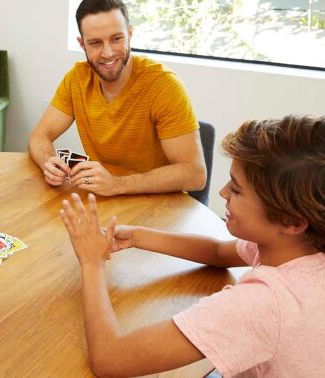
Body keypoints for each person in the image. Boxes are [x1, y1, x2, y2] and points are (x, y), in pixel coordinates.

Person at [59, 115, 325, 377]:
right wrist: (138, 237)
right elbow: (218, 252)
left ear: (292, 221)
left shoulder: (264, 304)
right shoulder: (298, 247)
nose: (222, 192)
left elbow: (110, 359)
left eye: (237, 189)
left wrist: (92, 263)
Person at [29, 0, 206, 196]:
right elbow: (39, 136)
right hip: (106, 199)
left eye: (116, 39)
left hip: (159, 205)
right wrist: (48, 162)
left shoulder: (164, 85)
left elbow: (195, 174)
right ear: (82, 44)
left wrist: (117, 184)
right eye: (96, 43)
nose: (108, 53)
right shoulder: (77, 79)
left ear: (130, 35)